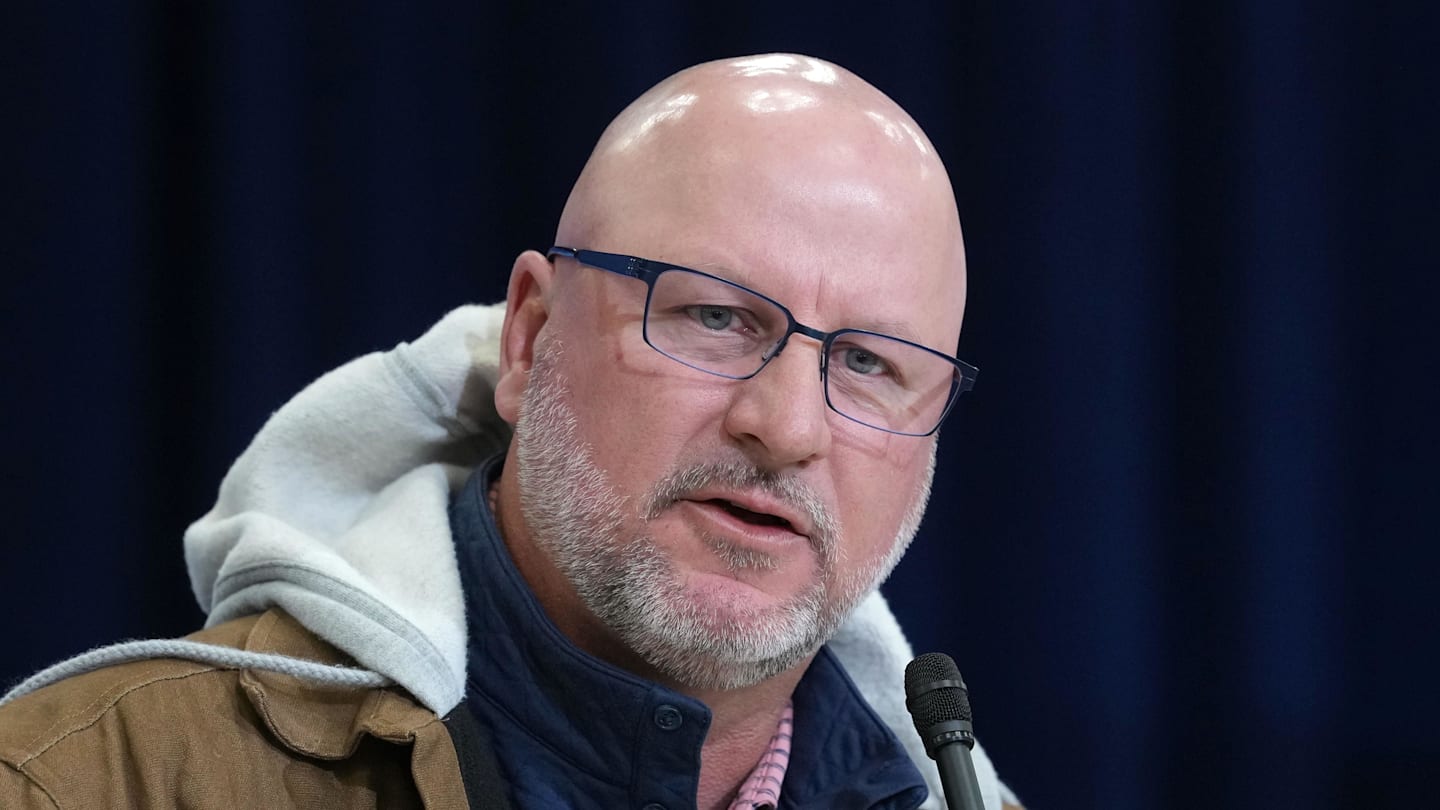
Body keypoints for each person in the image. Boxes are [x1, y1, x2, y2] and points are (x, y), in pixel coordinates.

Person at [0, 54, 1021, 809]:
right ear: (531, 340)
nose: (787, 426)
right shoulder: (89, 780)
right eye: (714, 316)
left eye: (872, 364)